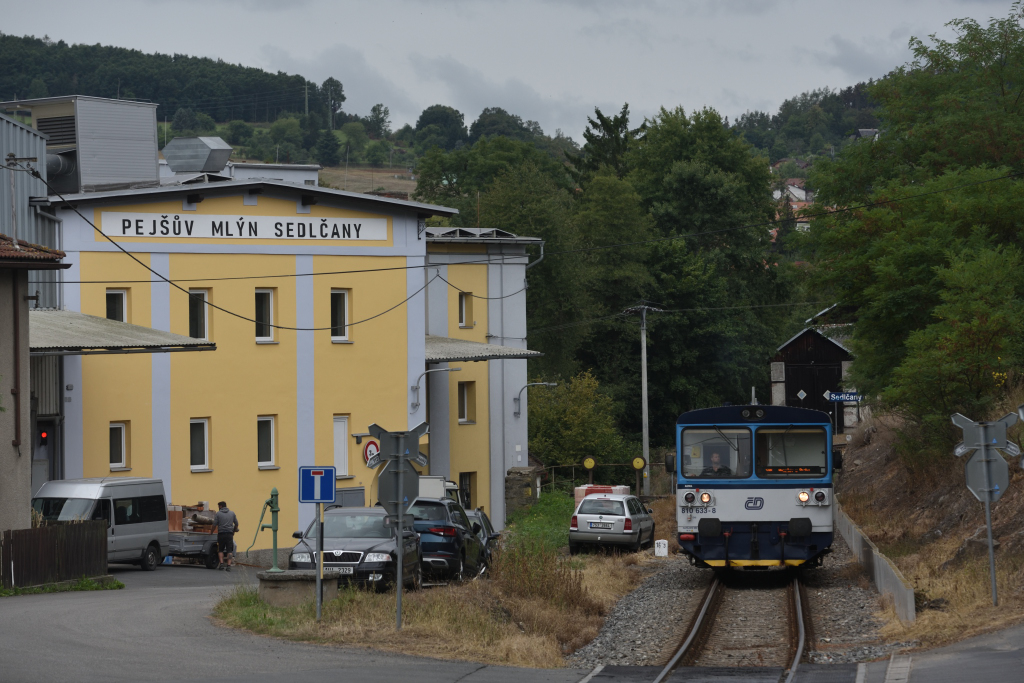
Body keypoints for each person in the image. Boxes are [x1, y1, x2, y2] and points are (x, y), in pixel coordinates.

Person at [214, 501, 239, 571]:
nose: (218, 508)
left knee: (220, 550)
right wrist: (234, 531)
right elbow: (236, 523)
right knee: (229, 550)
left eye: (218, 506)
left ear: (221, 506)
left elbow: (214, 524)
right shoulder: (232, 513)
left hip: (221, 534)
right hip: (229, 534)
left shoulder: (218, 514)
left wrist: (211, 531)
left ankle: (221, 564)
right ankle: (228, 566)